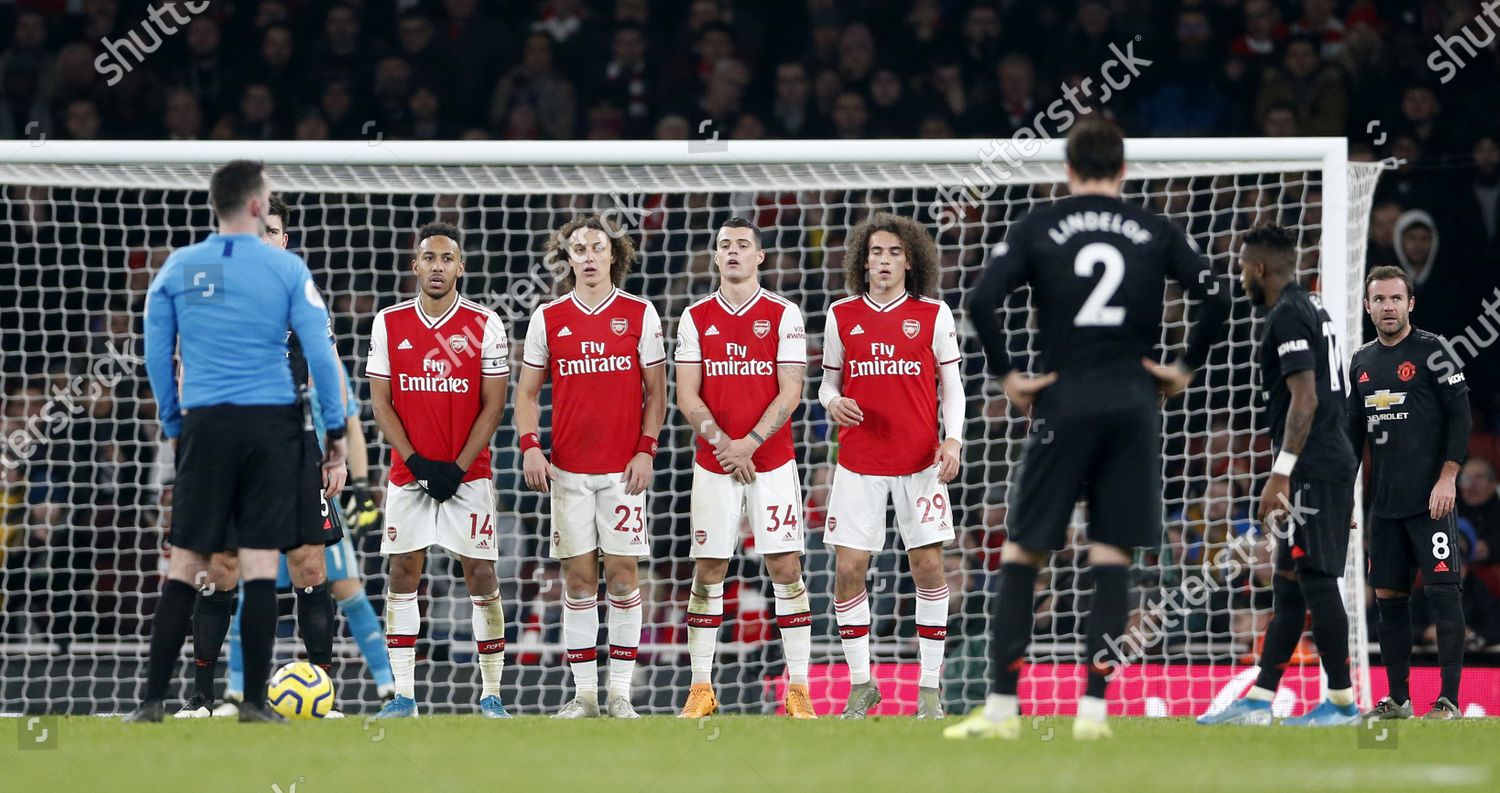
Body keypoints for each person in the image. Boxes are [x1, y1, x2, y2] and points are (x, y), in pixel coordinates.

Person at [950, 119, 1231, 740]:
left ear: (1067, 169)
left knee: (1024, 550)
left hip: (1064, 399)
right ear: (1123, 170)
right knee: (1111, 555)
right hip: (1133, 404)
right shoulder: (1154, 228)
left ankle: (1001, 710)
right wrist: (1181, 368)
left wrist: (1007, 376)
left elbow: (978, 299)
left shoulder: (1041, 225)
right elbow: (1215, 295)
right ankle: (1094, 712)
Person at [132, 160, 347, 723]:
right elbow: (324, 359)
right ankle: (252, 702)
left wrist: (175, 423)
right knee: (254, 565)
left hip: (206, 426)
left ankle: (152, 703)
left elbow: (157, 354)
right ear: (256, 206)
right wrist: (340, 432)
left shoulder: (178, 267)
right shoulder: (285, 272)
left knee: (185, 564)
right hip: (273, 427)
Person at [175, 194, 393, 719]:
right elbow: (187, 368)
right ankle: (205, 699)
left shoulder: (303, 297)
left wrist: (337, 454)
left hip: (294, 449)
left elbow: (327, 375)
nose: (262, 238)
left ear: (284, 240)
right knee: (224, 570)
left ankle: (325, 696)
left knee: (311, 564)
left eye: (271, 230)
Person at [1198, 223, 1360, 726]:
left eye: (1243, 267)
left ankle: (1340, 702)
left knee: (1315, 577)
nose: (1241, 276)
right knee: (1289, 583)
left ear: (1260, 268)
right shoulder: (1314, 308)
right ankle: (1260, 696)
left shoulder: (1288, 314)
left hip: (1311, 467)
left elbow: (1306, 398)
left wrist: (1282, 473)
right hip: (1327, 463)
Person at [515, 215, 667, 719]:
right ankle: (582, 696)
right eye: (577, 248)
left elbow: (657, 393)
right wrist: (530, 446)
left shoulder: (640, 314)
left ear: (612, 255)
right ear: (567, 258)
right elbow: (527, 392)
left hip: (625, 472)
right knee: (578, 582)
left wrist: (646, 448)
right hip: (570, 473)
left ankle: (619, 692)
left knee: (623, 577)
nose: (586, 256)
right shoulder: (548, 317)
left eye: (596, 247)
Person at [820, 212, 963, 719]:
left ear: (911, 261)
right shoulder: (842, 314)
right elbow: (827, 383)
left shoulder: (933, 314)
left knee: (928, 567)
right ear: (863, 261)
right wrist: (831, 402)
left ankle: (929, 689)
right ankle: (862, 684)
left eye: (894, 253)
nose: (884, 261)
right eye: (876, 252)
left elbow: (953, 388)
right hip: (859, 463)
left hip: (920, 464)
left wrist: (953, 441)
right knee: (849, 569)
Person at [366, 222, 511, 719]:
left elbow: (494, 407)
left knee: (481, 573)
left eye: (447, 259)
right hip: (409, 475)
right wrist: (416, 462)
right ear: (415, 266)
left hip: (469, 476)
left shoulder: (485, 323)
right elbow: (380, 403)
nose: (437, 267)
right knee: (403, 571)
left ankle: (491, 694)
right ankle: (403, 696)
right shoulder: (388, 323)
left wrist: (456, 467)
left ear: (460, 268)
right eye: (429, 258)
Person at [674, 218, 814, 719]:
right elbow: (686, 395)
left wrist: (749, 443)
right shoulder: (695, 316)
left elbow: (791, 390)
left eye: (742, 246)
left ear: (760, 257)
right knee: (709, 570)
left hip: (772, 461)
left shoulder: (784, 313)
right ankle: (701, 688)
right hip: (714, 463)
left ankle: (798, 688)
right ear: (715, 257)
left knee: (786, 567)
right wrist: (725, 445)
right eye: (724, 246)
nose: (732, 252)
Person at [1347, 265, 1471, 720]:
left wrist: (1448, 476)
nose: (1388, 307)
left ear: (1410, 304)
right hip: (1385, 506)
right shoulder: (1361, 361)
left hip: (1430, 501)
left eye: (1396, 298)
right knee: (1389, 599)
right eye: (1379, 300)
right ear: (1368, 307)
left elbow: (1461, 418)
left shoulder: (1433, 350)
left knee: (1443, 594)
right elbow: (1352, 433)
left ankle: (1450, 701)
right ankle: (1398, 698)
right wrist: (1347, 497)